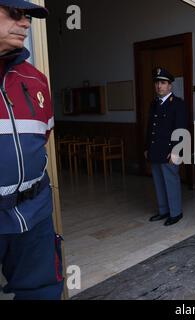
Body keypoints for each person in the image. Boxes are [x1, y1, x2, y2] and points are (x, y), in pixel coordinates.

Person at [0, 1, 63, 300]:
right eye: (14, 13)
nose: (26, 23)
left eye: (28, 16)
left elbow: (42, 138)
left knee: (43, 293)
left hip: (34, 213)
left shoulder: (37, 80)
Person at [145, 67, 188, 226]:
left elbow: (182, 129)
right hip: (155, 150)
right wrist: (146, 147)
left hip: (170, 151)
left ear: (170, 86)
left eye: (163, 83)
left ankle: (175, 213)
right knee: (158, 182)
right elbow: (150, 127)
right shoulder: (154, 103)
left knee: (171, 182)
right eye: (157, 83)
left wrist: (177, 150)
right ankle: (163, 211)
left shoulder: (177, 104)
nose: (159, 86)